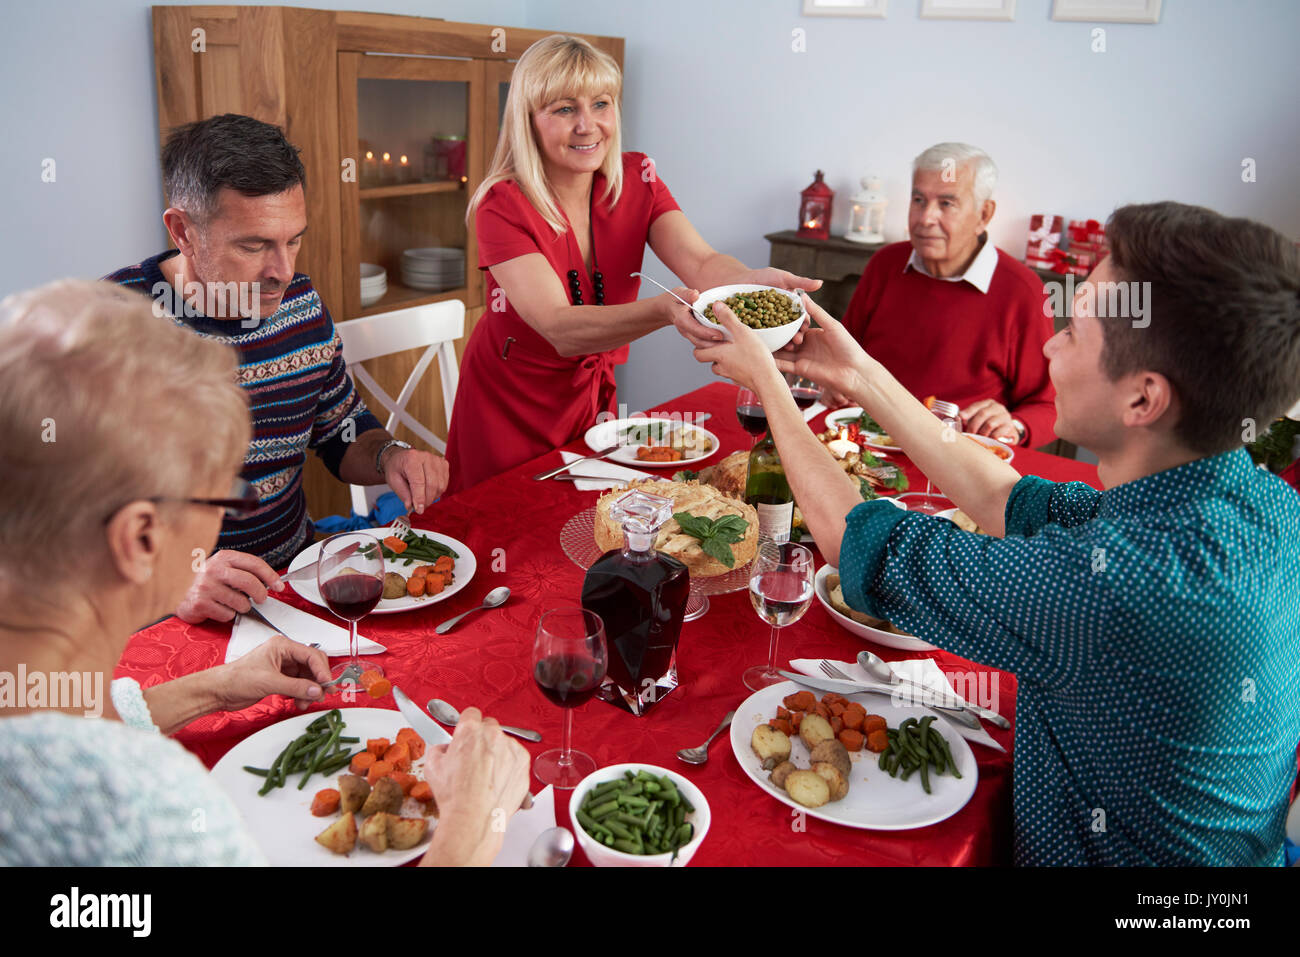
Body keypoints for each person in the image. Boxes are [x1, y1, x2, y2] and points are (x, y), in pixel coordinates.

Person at [674, 202, 1300, 866]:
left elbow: (868, 544)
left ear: (1143, 399)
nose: (1052, 341)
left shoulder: (1121, 585)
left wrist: (772, 386)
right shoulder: (1257, 501)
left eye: (1077, 331)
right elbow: (1008, 497)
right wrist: (857, 374)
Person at [0, 280, 530, 866]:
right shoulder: (143, 808)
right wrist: (472, 826)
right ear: (141, 538)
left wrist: (211, 687)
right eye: (222, 498)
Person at [105, 114, 449, 624]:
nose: (282, 272)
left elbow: (341, 433)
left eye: (292, 240)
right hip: (165, 618)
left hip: (293, 588)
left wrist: (390, 457)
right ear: (183, 230)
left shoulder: (301, 305)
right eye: (253, 245)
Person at [443, 34, 819, 494]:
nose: (588, 125)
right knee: (502, 526)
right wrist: (662, 311)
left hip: (590, 400)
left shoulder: (638, 178)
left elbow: (700, 261)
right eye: (564, 109)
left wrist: (748, 282)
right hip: (508, 404)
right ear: (527, 121)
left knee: (580, 520)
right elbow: (558, 328)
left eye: (601, 104)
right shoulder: (501, 205)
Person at [838, 143, 1056, 447]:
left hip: (961, 458)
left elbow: (1049, 406)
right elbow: (844, 356)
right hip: (868, 444)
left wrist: (1015, 425)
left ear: (984, 214)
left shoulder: (1024, 291)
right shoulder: (885, 264)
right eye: (918, 200)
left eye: (946, 203)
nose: (926, 218)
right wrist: (835, 382)